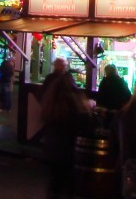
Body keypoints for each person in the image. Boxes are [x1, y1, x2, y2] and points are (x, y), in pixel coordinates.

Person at [41, 70, 89, 199]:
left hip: (52, 147)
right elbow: (85, 123)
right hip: (68, 149)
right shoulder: (73, 101)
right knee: (69, 183)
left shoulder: (52, 100)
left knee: (55, 181)